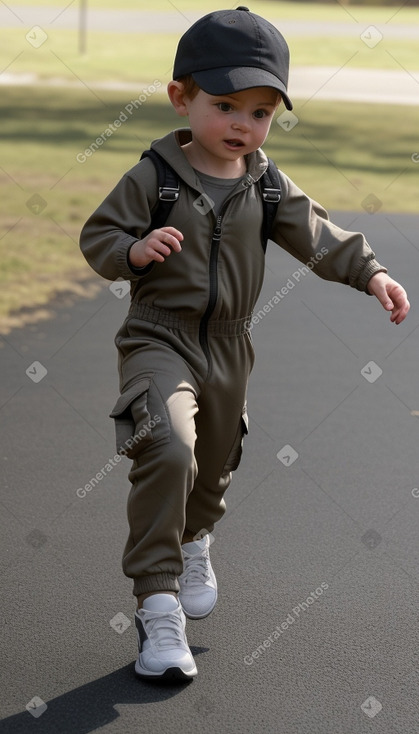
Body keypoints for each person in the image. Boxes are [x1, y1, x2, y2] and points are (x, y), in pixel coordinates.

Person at [79, 6, 410, 683]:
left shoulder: (263, 180)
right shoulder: (155, 177)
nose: (241, 124)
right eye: (225, 104)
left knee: (214, 460)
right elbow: (98, 238)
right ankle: (157, 602)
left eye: (259, 112)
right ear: (181, 97)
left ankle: (195, 536)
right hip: (156, 338)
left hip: (230, 350)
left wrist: (371, 272)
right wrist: (135, 250)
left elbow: (318, 235)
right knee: (163, 445)